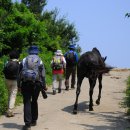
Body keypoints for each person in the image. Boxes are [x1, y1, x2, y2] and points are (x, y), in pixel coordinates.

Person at [18, 45, 47, 130]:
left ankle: (27, 125)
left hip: (25, 83)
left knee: (27, 102)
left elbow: (19, 74)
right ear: (37, 51)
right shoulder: (40, 60)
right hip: (36, 84)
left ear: (29, 51)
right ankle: (34, 120)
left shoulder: (24, 60)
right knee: (34, 101)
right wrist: (44, 85)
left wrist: (19, 85)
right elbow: (43, 75)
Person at [3, 50, 20, 117]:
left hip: (7, 79)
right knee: (13, 95)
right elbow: (20, 73)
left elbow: (4, 70)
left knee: (9, 93)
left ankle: (8, 108)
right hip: (14, 80)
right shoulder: (18, 63)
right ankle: (10, 111)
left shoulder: (7, 62)